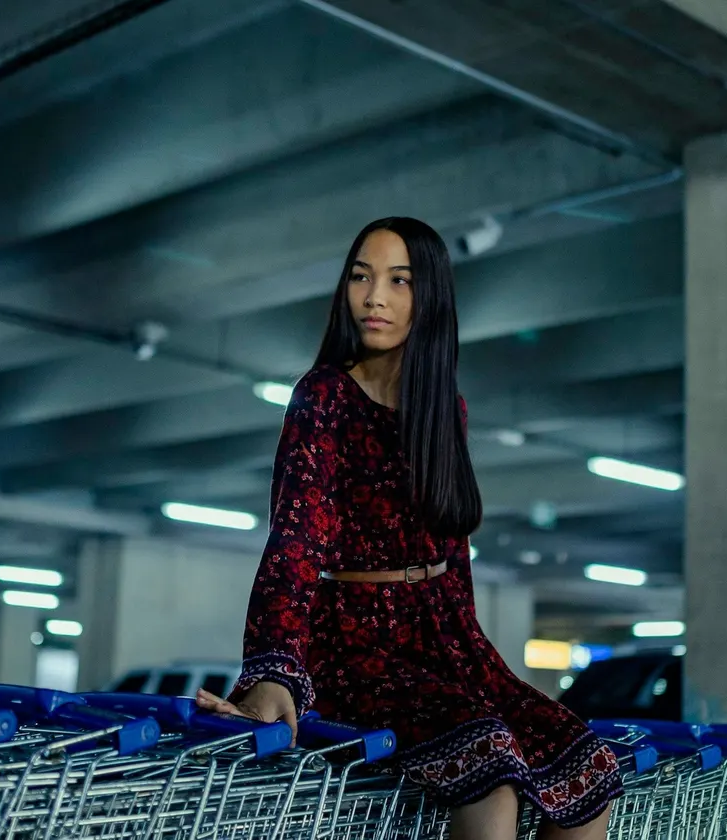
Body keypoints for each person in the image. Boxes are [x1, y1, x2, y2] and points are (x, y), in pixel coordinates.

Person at [195, 217, 623, 839]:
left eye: (400, 281)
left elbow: (453, 545)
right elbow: (295, 541)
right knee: (489, 770)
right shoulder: (324, 395)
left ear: (431, 298)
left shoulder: (447, 409)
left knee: (587, 766)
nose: (375, 298)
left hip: (442, 635)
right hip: (352, 644)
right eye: (361, 277)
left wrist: (477, 658)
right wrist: (273, 670)